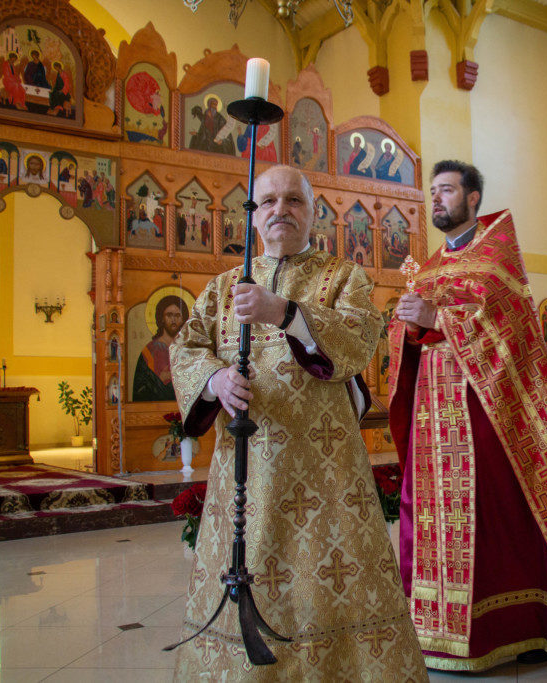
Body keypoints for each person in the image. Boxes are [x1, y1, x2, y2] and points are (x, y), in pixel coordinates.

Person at [170, 165, 427, 680]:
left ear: (313, 213)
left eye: (293, 200)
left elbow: (359, 338)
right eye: (267, 201)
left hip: (326, 475)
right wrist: (216, 379)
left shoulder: (344, 277)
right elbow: (186, 347)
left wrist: (285, 312)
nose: (279, 210)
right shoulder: (222, 287)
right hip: (246, 474)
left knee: (329, 583)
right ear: (253, 216)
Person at [388, 160, 547, 671]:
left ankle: (517, 627)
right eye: (433, 191)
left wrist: (436, 316)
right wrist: (408, 325)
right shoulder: (429, 267)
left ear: (473, 198)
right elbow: (418, 336)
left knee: (495, 516)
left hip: (486, 418)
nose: (436, 199)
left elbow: (507, 331)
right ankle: (435, 630)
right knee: (429, 518)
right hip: (433, 421)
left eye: (447, 190)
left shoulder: (495, 259)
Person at [132, 295, 188, 401]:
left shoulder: (188, 349)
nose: (173, 319)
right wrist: (160, 380)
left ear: (183, 319)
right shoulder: (149, 351)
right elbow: (139, 390)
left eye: (177, 315)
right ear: (162, 318)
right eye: (169, 315)